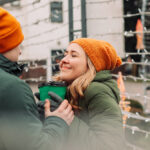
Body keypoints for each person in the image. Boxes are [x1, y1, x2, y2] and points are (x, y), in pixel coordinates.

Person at [0, 7, 74, 150]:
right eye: (17, 44)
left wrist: (33, 116)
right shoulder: (11, 87)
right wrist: (58, 121)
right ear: (4, 45)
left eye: (73, 55)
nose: (20, 51)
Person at [54, 38, 127, 150]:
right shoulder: (71, 90)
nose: (63, 60)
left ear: (92, 65)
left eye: (73, 55)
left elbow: (110, 146)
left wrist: (66, 119)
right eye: (65, 54)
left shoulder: (96, 92)